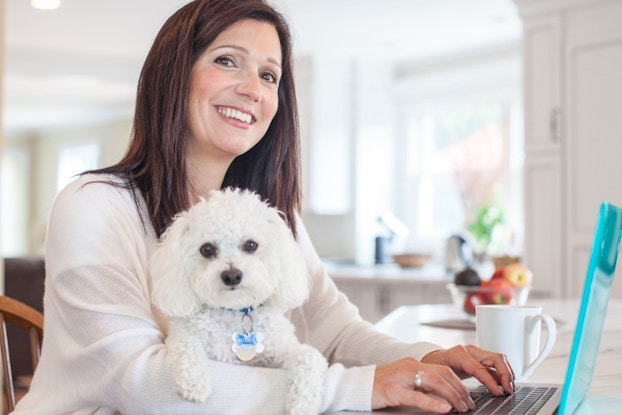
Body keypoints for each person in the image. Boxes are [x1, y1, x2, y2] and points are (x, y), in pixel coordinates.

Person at [12, 0, 515, 413]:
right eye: (226, 60)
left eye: (270, 76)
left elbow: (335, 330)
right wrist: (358, 388)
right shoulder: (93, 206)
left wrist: (428, 360)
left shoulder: (272, 217)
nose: (253, 89)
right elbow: (141, 386)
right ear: (173, 74)